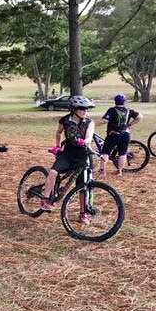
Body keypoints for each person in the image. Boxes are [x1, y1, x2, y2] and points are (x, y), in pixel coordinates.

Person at [42, 95, 95, 224]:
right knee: (53, 172)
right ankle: (45, 199)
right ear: (74, 109)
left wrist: (85, 141)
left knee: (83, 187)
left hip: (83, 156)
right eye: (82, 108)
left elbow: (89, 137)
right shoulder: (65, 120)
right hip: (67, 154)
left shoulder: (89, 122)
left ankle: (83, 214)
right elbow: (59, 132)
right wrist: (58, 146)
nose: (85, 111)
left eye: (87, 109)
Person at [96, 93, 143, 176]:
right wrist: (129, 125)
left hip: (113, 134)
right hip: (126, 134)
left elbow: (104, 121)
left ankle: (102, 171)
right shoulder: (129, 110)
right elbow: (140, 117)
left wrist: (93, 125)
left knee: (105, 152)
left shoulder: (112, 110)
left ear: (115, 101)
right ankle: (119, 171)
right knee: (122, 153)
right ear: (124, 102)